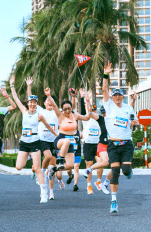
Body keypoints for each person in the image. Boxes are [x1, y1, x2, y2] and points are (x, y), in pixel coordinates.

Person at [10, 75, 57, 203]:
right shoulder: (24, 111)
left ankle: (43, 191)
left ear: (36, 104)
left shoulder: (39, 115)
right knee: (19, 166)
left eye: (34, 102)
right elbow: (15, 98)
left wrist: (58, 135)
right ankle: (28, 158)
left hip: (35, 143)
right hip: (24, 144)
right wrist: (12, 85)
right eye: (30, 102)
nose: (32, 104)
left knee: (37, 169)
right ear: (28, 103)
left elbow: (48, 126)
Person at [100, 61, 139, 213]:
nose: (116, 97)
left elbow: (133, 123)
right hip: (113, 145)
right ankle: (114, 201)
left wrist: (135, 123)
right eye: (114, 95)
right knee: (115, 172)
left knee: (126, 170)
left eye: (119, 95)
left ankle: (129, 172)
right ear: (112, 97)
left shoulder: (129, 108)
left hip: (127, 144)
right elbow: (104, 89)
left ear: (122, 97)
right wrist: (106, 74)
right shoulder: (108, 106)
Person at [26, 77, 62, 195]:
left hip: (54, 141)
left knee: (52, 165)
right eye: (47, 101)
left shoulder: (57, 112)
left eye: (51, 101)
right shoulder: (40, 110)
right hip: (42, 140)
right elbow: (31, 100)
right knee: (47, 156)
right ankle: (40, 172)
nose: (50, 103)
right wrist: (29, 86)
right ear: (44, 103)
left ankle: (50, 190)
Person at [45, 88, 91, 179]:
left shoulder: (75, 115)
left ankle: (53, 169)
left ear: (71, 108)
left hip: (70, 142)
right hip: (60, 140)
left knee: (70, 166)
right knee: (66, 141)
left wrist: (87, 101)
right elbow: (54, 105)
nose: (67, 111)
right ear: (62, 109)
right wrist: (48, 95)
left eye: (69, 108)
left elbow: (87, 118)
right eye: (64, 109)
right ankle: (61, 160)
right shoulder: (60, 115)